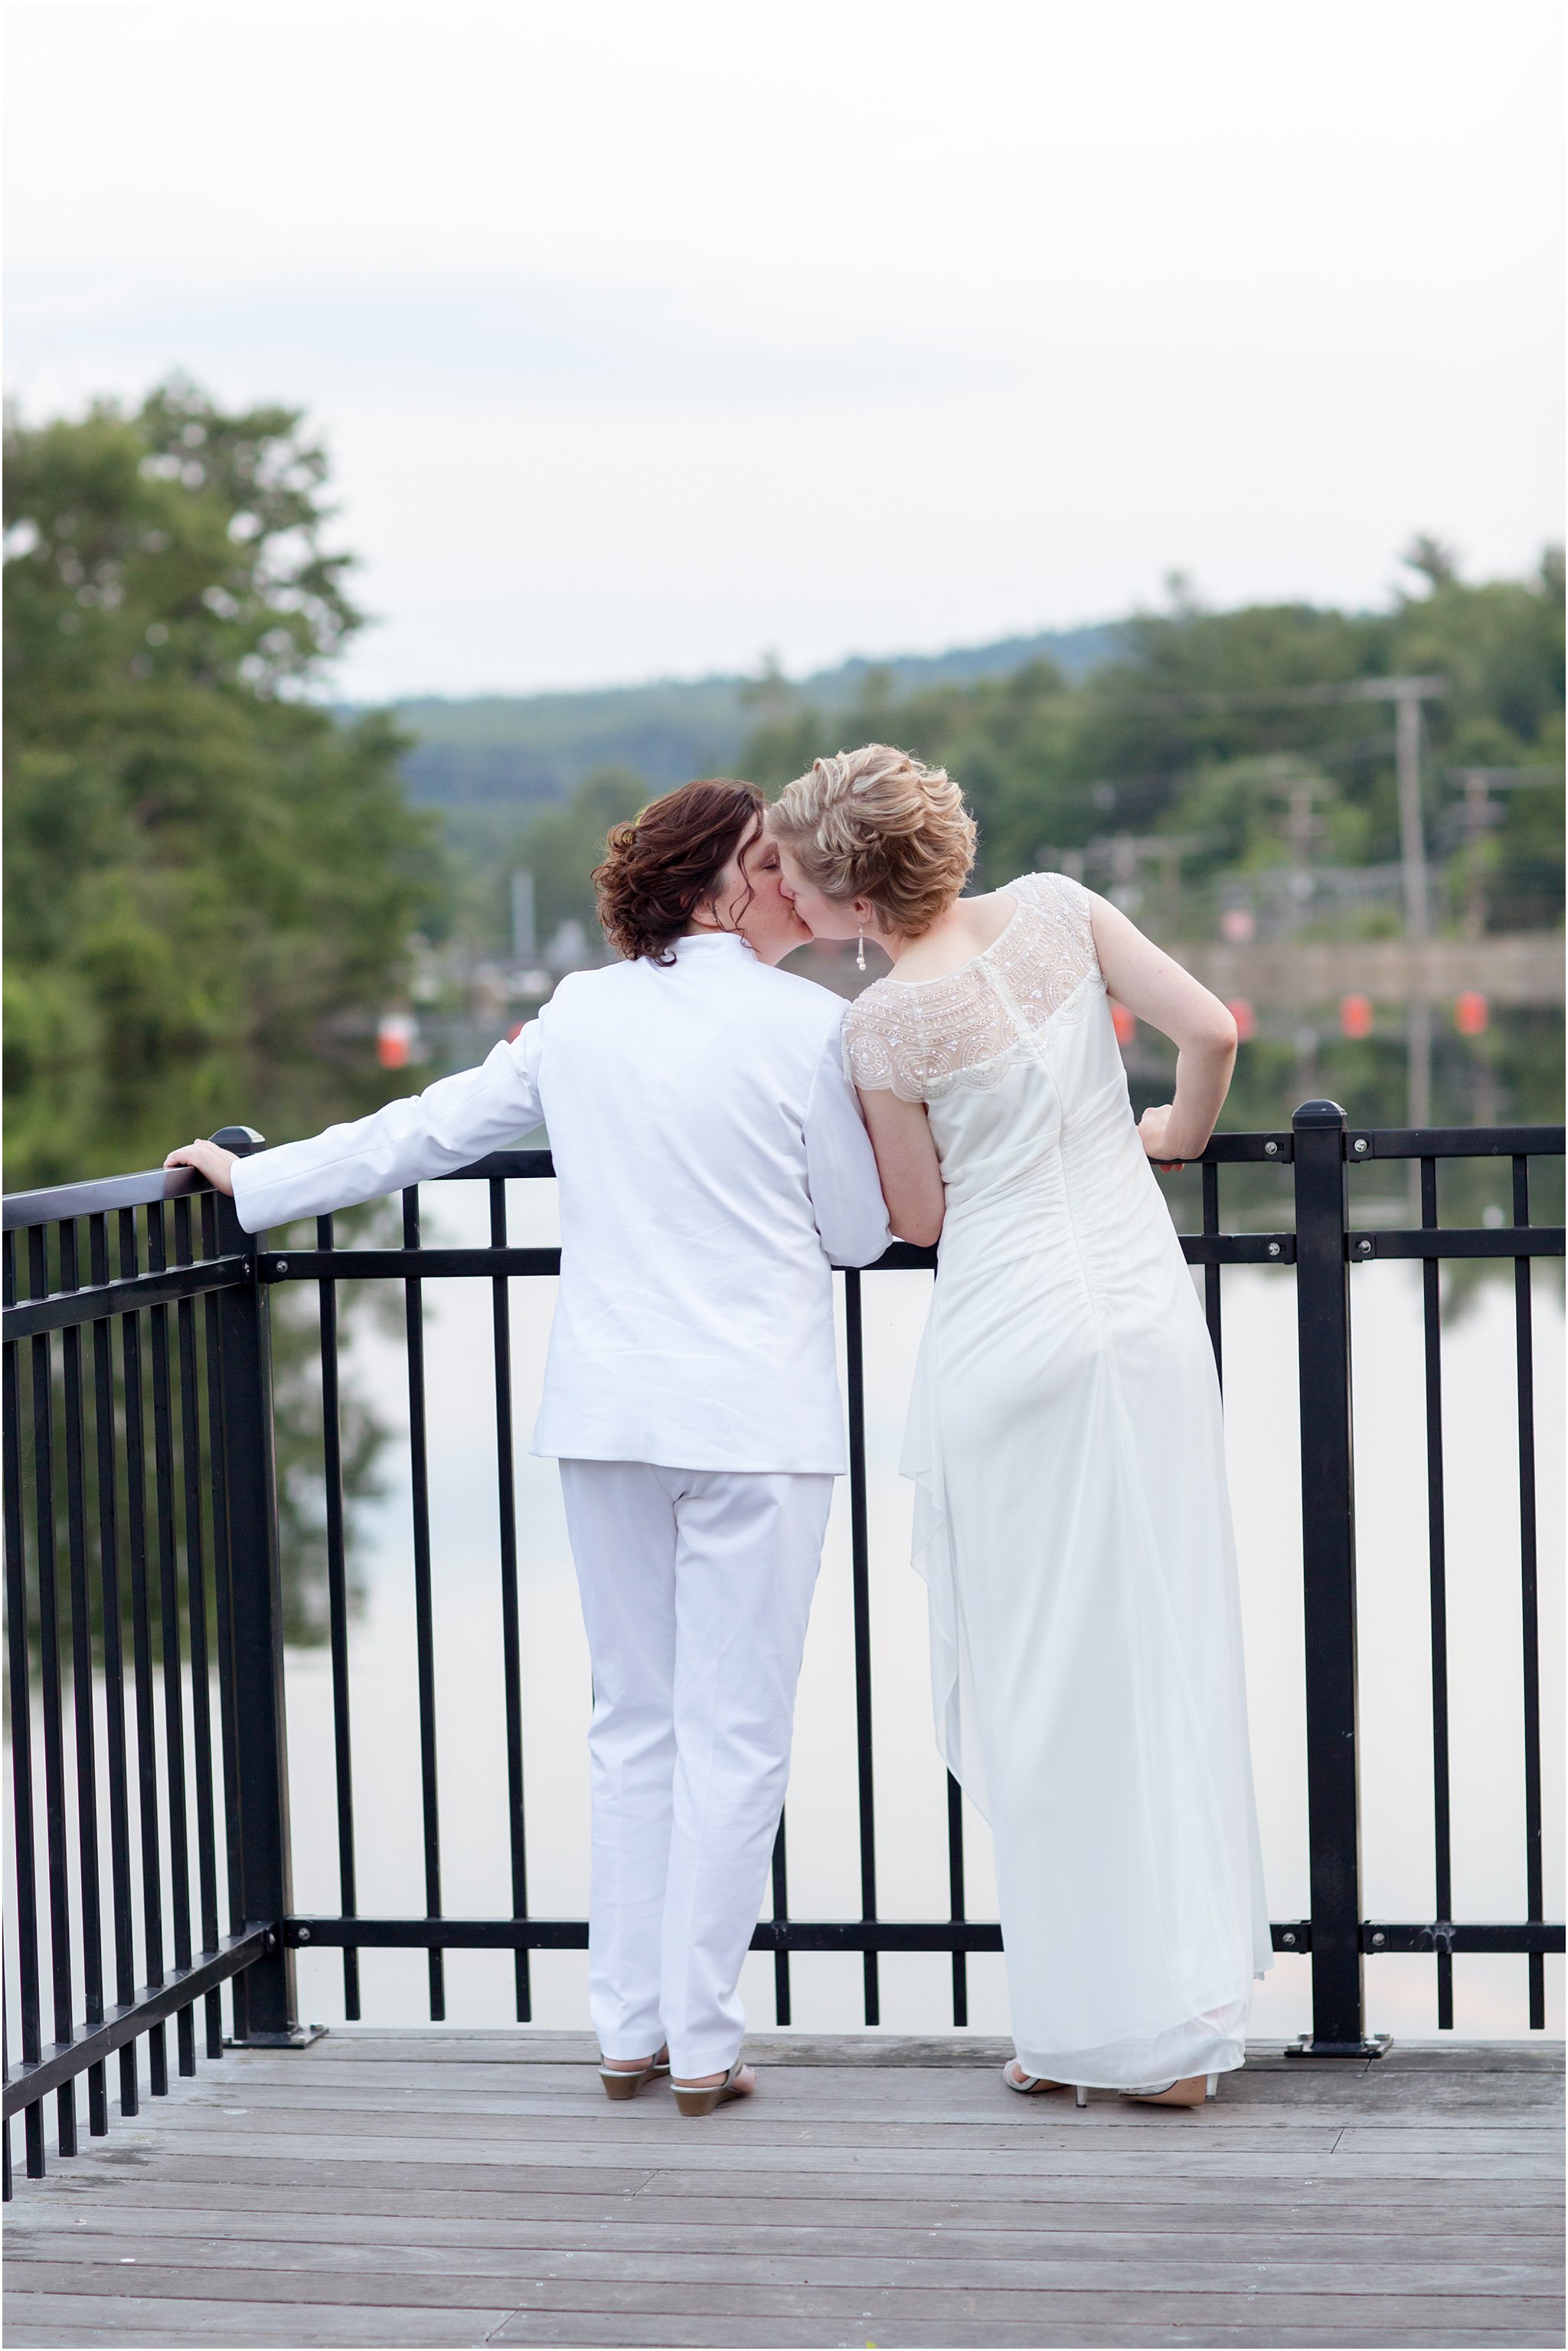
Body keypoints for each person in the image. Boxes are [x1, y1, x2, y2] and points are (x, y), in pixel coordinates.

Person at [167, 779, 890, 2117]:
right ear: (712, 882)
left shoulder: (581, 1013)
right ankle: (705, 2045)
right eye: (767, 859)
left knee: (633, 1726)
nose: (793, 878)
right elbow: (855, 1234)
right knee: (733, 1737)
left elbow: (427, 1131)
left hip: (610, 1412)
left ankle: (627, 2031)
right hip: (757, 1420)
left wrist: (253, 1182)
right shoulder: (812, 1030)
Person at [769, 745, 1270, 2108]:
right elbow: (1215, 1031)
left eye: (805, 886)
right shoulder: (1060, 907)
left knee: (1048, 1684)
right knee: (1162, 1642)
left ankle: (1103, 2028)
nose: (796, 906)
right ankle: (1177, 2006)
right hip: (1144, 1321)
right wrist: (1170, 1133)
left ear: (855, 897)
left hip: (1011, 1339)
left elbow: (920, 1219)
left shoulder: (878, 1029)